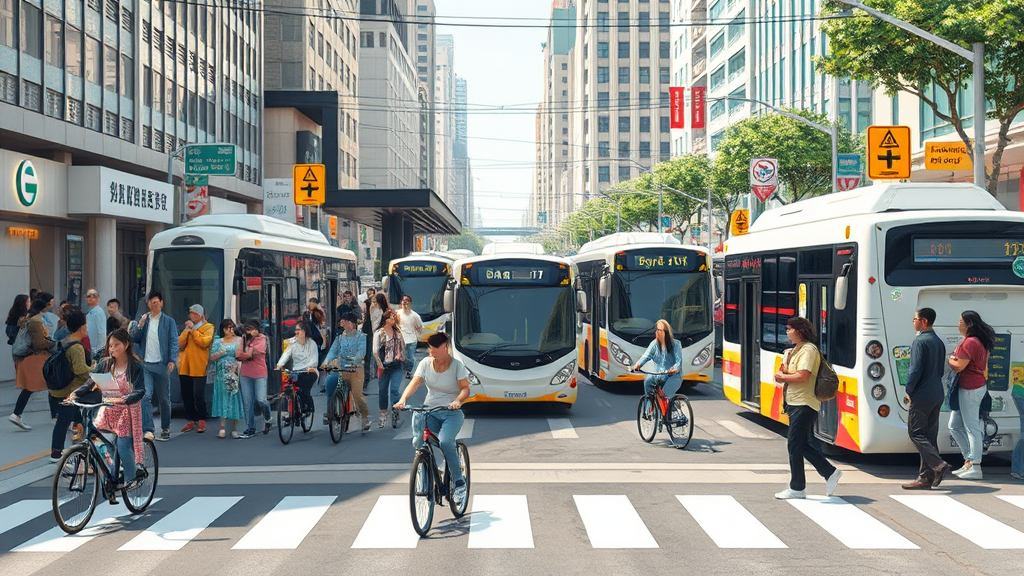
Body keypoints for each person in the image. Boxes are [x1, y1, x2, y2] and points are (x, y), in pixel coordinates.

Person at [393, 332, 470, 504]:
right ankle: (429, 471)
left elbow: (465, 388)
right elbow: (415, 382)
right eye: (430, 348)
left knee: (445, 442)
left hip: (451, 412)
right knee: (421, 442)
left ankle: (459, 482)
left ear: (445, 347)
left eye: (435, 348)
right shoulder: (425, 363)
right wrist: (403, 400)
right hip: (430, 410)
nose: (431, 351)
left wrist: (457, 401)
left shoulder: (456, 366)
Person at [67, 328, 147, 493]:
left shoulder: (135, 366)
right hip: (108, 408)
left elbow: (140, 390)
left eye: (116, 345)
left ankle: (131, 477)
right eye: (110, 346)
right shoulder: (105, 364)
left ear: (126, 345)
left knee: (123, 446)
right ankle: (113, 470)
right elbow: (91, 383)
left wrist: (125, 399)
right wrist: (75, 394)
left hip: (127, 411)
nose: (112, 349)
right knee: (97, 439)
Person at [772, 316, 842, 500]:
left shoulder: (809, 349)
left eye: (789, 329)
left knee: (793, 444)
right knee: (800, 444)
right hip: (794, 402)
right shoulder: (795, 350)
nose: (787, 332)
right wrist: (783, 372)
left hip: (804, 403)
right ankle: (829, 472)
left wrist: (783, 377)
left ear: (800, 330)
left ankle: (797, 487)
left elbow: (803, 376)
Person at [901, 307, 952, 489]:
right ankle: (926, 478)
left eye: (915, 319)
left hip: (922, 394)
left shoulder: (920, 341)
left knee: (915, 433)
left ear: (923, 321)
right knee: (929, 436)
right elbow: (940, 370)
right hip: (937, 392)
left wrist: (909, 389)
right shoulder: (938, 341)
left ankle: (938, 465)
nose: (913, 322)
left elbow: (915, 369)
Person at [948, 310, 995, 481]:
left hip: (970, 388)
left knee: (972, 428)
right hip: (974, 387)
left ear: (969, 324)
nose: (958, 325)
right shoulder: (978, 341)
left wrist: (950, 359)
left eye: (961, 322)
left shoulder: (970, 342)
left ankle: (975, 465)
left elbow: (959, 366)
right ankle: (968, 460)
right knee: (954, 425)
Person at [129, 290, 179, 442]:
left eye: (156, 302)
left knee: (164, 398)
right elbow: (134, 338)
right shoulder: (145, 320)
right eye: (151, 303)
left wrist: (172, 360)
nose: (154, 305)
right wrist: (140, 325)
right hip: (146, 365)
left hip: (162, 365)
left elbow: (174, 341)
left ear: (161, 303)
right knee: (145, 397)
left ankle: (165, 427)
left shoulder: (168, 321)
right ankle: (148, 429)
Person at [49, 310, 92, 462]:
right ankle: (57, 453)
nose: (87, 328)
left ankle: (74, 449)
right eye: (86, 325)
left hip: (61, 388)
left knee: (73, 420)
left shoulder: (65, 341)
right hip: (72, 391)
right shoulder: (76, 347)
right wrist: (95, 368)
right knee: (68, 420)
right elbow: (80, 370)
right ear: (82, 327)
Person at [321, 311, 370, 434]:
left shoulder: (361, 336)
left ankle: (365, 418)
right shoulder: (340, 337)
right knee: (331, 383)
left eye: (347, 321)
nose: (344, 324)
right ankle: (331, 412)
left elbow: (361, 352)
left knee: (357, 394)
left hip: (355, 369)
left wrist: (354, 361)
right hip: (341, 368)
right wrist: (326, 362)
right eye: (344, 321)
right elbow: (333, 351)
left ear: (353, 324)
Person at [11, 298, 54, 430]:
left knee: (32, 388)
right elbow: (39, 343)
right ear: (43, 308)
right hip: (37, 358)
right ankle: (56, 415)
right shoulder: (36, 322)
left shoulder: (28, 319)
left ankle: (17, 414)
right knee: (50, 385)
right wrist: (52, 343)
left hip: (32, 358)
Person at [178, 303, 214, 434]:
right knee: (186, 394)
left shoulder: (208, 327)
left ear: (200, 315)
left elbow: (204, 342)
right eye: (191, 314)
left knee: (198, 394)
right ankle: (191, 419)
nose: (191, 316)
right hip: (185, 365)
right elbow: (180, 344)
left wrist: (193, 330)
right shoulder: (188, 328)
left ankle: (202, 419)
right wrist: (187, 331)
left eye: (194, 314)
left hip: (199, 365)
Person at [236, 320, 272, 438]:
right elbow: (238, 354)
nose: (249, 332)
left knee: (261, 399)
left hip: (259, 373)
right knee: (248, 402)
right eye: (247, 329)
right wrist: (247, 353)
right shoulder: (243, 339)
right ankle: (250, 427)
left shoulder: (262, 338)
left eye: (251, 329)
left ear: (257, 329)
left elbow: (256, 352)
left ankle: (268, 417)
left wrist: (247, 352)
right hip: (245, 373)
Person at [275, 320, 319, 415]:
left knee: (304, 386)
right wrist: (279, 365)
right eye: (296, 330)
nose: (297, 332)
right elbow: (286, 355)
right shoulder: (292, 343)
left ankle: (307, 405)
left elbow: (314, 360)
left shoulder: (312, 344)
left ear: (305, 331)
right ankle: (290, 411)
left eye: (299, 330)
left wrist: (309, 368)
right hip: (296, 371)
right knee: (288, 385)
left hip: (309, 371)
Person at [210, 319, 244, 438]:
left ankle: (234, 428)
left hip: (233, 372)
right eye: (228, 328)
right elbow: (212, 357)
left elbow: (241, 355)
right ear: (224, 329)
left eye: (232, 327)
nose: (231, 330)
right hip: (221, 373)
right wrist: (221, 353)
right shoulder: (218, 341)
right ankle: (222, 427)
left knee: (234, 397)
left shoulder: (239, 340)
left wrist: (237, 364)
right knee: (222, 398)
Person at [631, 319, 683, 397]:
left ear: (666, 332)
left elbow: (679, 360)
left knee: (665, 395)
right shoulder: (654, 344)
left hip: (673, 376)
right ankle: (649, 403)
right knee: (648, 381)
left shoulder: (676, 344)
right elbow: (646, 356)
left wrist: (674, 369)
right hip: (658, 375)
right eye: (657, 330)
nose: (658, 332)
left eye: (661, 330)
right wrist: (638, 364)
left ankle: (669, 404)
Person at [374, 309, 406, 428]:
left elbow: (403, 346)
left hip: (396, 365)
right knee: (383, 391)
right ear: (386, 320)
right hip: (383, 366)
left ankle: (395, 412)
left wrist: (401, 356)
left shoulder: (398, 333)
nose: (394, 319)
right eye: (392, 317)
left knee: (394, 390)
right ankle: (383, 415)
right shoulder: (379, 333)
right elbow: (375, 350)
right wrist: (379, 364)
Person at [397, 295, 423, 379]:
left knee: (410, 358)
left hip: (411, 340)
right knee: (400, 357)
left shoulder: (415, 316)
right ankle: (401, 372)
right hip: (400, 340)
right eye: (403, 301)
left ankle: (409, 372)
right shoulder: (397, 314)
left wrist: (415, 337)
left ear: (410, 303)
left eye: (407, 301)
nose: (405, 302)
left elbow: (420, 328)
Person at [84, 288, 107, 358]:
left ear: (98, 298)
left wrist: (101, 349)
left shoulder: (99, 312)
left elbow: (102, 331)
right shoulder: (90, 312)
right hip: (91, 350)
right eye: (88, 296)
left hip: (97, 351)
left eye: (94, 295)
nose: (91, 298)